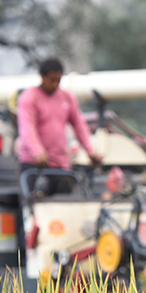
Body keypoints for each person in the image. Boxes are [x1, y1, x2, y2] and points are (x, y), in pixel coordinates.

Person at [16, 58, 102, 194]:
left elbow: (79, 126)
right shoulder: (29, 98)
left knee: (64, 207)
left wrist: (90, 151)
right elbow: (27, 128)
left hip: (60, 165)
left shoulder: (67, 98)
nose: (55, 84)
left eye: (58, 80)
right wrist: (37, 151)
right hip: (34, 164)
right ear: (42, 76)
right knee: (35, 209)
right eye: (51, 80)